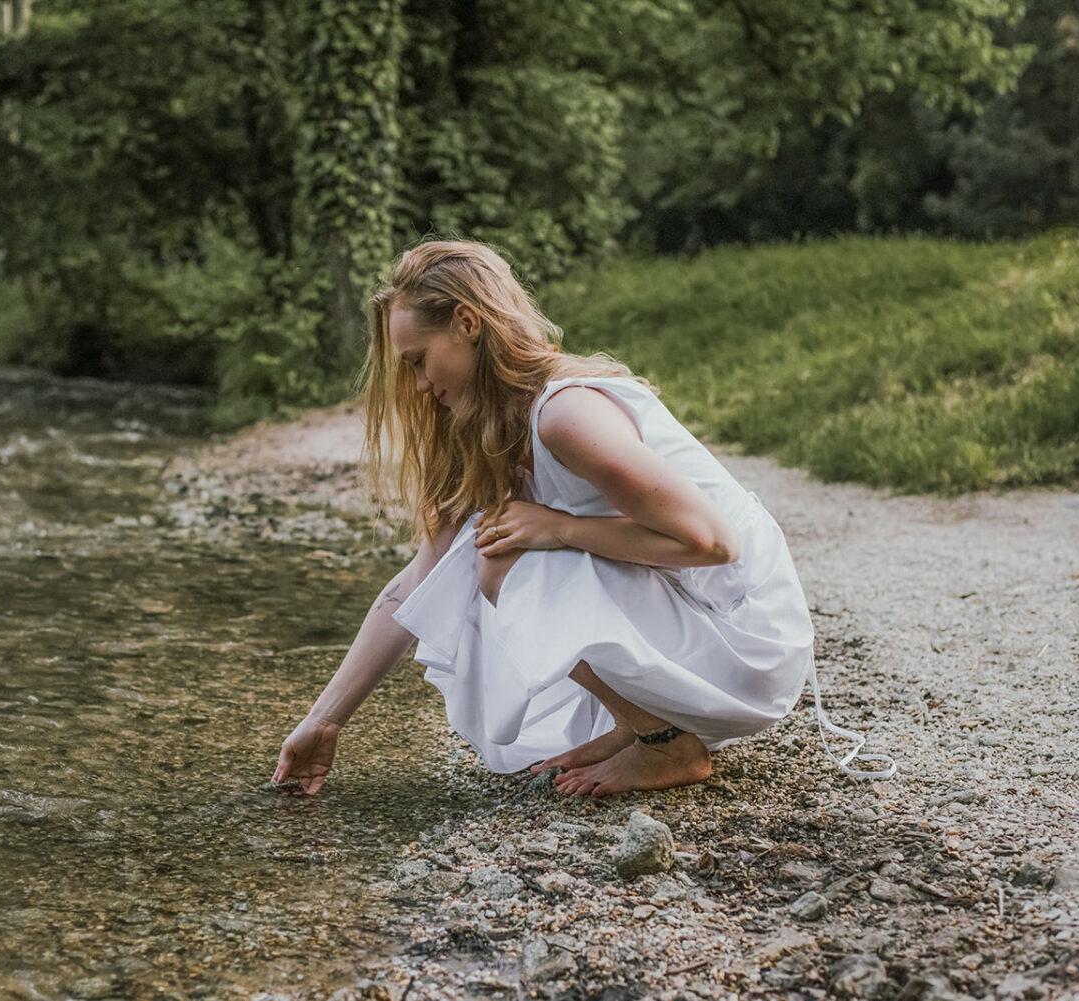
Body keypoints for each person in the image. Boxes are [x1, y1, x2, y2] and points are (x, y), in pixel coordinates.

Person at [272, 240, 894, 797]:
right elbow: (415, 585)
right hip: (684, 623)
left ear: (467, 324)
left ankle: (665, 744)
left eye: (417, 360)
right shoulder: (481, 432)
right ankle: (637, 725)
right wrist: (324, 721)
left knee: (502, 559)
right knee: (481, 554)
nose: (415, 385)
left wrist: (560, 528)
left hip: (742, 638)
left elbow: (712, 542)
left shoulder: (566, 413)